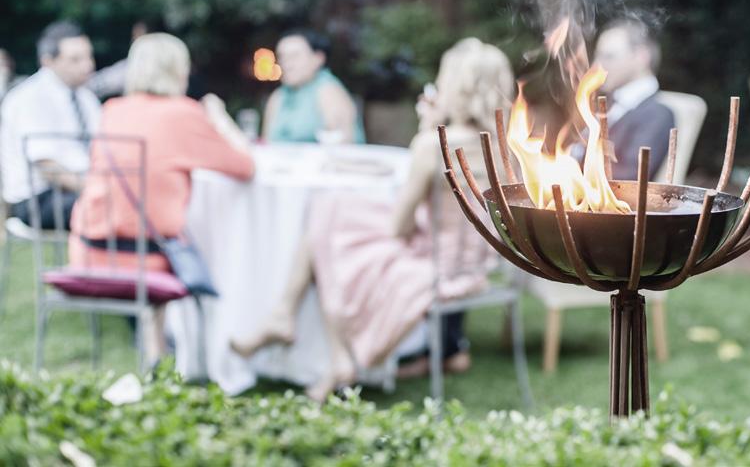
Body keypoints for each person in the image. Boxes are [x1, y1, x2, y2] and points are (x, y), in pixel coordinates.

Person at [232, 38, 514, 401]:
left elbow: (400, 226)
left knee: (330, 230)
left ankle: (331, 351)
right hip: (475, 263)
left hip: (434, 265)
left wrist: (428, 130)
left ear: (455, 87)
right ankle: (308, 335)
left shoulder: (434, 146)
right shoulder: (509, 148)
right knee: (333, 208)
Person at [68, 32, 255, 362]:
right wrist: (220, 118)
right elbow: (245, 166)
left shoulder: (112, 109)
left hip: (89, 253)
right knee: (195, 240)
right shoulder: (185, 114)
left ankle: (156, 350)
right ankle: (212, 350)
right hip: (149, 259)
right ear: (178, 70)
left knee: (154, 226)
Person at [1, 21, 100, 229]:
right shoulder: (29, 98)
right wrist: (95, 188)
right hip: (37, 199)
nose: (88, 65)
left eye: (88, 56)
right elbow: (47, 165)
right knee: (110, 207)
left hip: (76, 190)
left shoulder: (86, 98)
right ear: (48, 61)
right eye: (75, 59)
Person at [590, 18, 674, 180]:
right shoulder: (608, 103)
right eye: (597, 57)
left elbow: (630, 177)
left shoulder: (658, 114)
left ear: (641, 57)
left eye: (608, 56)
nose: (596, 67)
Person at [262, 30, 365, 144]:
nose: (286, 64)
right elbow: (267, 142)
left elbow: (340, 142)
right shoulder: (278, 96)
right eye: (282, 57)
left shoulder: (328, 90)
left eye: (294, 56)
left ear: (318, 58)